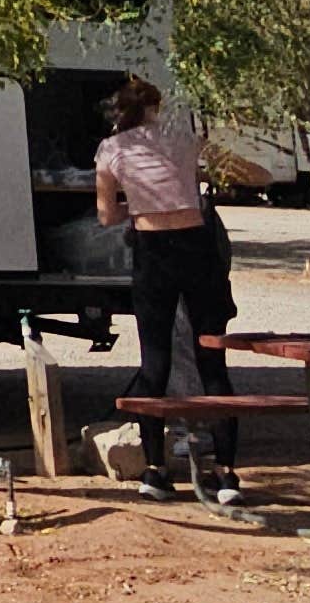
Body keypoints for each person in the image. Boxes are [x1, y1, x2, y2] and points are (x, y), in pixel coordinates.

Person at [94, 75, 244, 507]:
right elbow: (235, 171)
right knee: (211, 358)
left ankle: (154, 471)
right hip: (196, 248)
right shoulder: (185, 138)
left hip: (151, 249)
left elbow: (106, 216)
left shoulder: (111, 150)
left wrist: (137, 202)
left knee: (154, 362)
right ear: (157, 106)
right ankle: (227, 472)